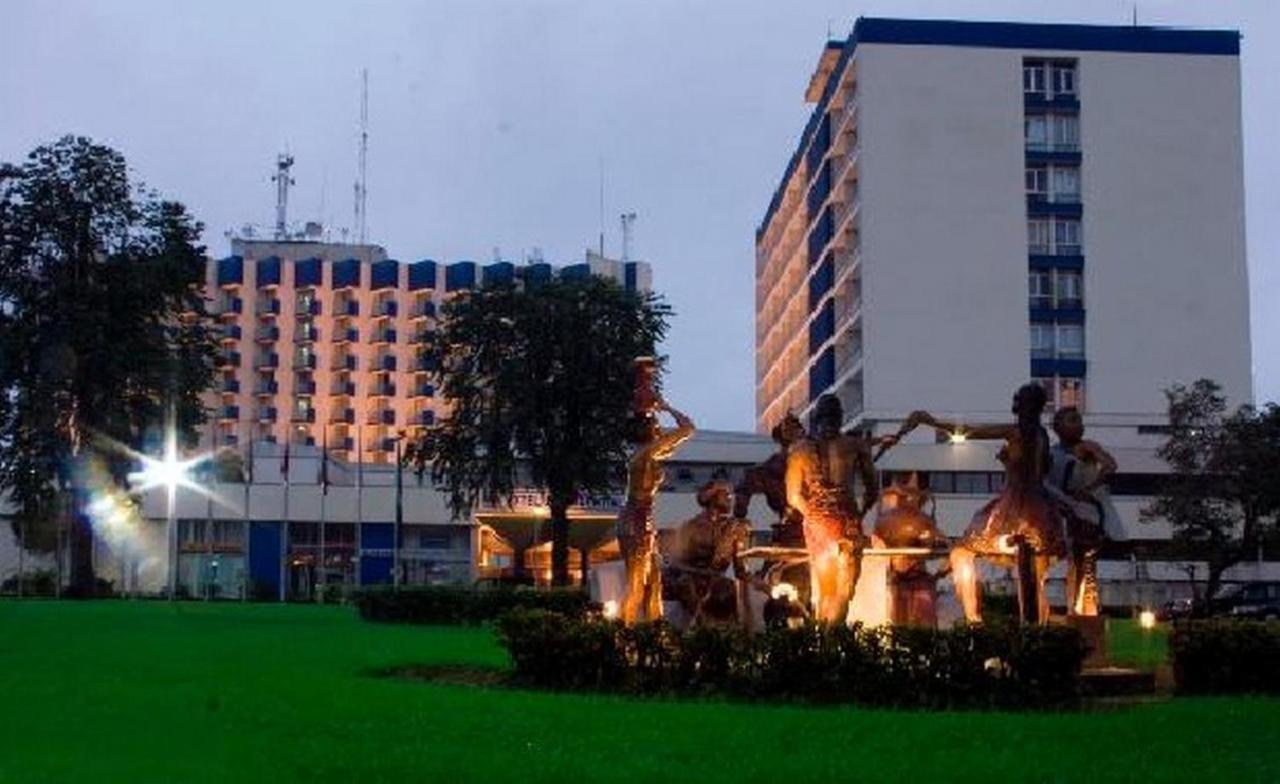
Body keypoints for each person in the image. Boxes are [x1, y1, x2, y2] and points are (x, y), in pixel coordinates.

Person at [909, 383, 1066, 624]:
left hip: (1014, 509)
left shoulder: (1015, 432)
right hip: (1041, 511)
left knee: (961, 552)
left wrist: (933, 422)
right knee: (1036, 580)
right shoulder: (1042, 435)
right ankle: (1037, 632)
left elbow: (970, 431)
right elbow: (1039, 470)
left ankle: (974, 619)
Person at [785, 394, 897, 625]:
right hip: (846, 523)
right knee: (844, 590)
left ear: (815, 419)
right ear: (840, 418)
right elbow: (872, 489)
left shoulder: (798, 450)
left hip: (816, 525)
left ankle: (823, 645)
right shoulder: (854, 446)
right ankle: (833, 644)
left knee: (826, 591)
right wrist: (861, 512)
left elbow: (793, 496)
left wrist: (814, 516)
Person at [617, 399, 695, 624]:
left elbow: (686, 431)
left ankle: (655, 628)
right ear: (648, 430)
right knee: (637, 583)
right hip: (636, 522)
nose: (660, 428)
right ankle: (625, 631)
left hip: (641, 520)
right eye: (656, 424)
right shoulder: (647, 453)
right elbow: (688, 428)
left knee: (653, 580)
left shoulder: (646, 453)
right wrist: (667, 407)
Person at [1048, 406, 1119, 616]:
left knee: (1081, 557)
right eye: (1072, 420)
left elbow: (1110, 465)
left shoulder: (1087, 447)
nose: (1079, 425)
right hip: (1058, 503)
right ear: (1057, 427)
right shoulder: (1052, 453)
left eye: (1079, 420)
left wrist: (1089, 488)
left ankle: (1079, 605)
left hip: (1082, 508)